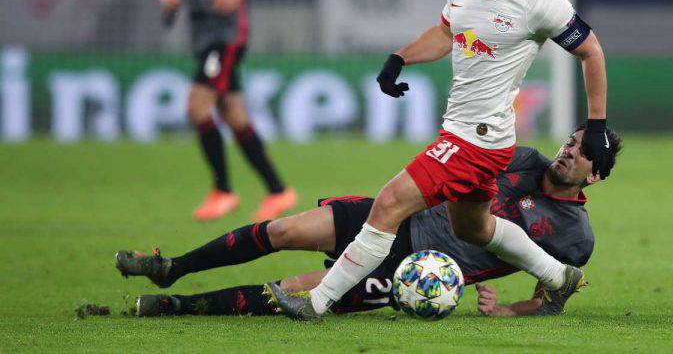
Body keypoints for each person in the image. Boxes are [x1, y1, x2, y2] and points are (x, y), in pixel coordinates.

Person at [265, 0, 612, 319]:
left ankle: (316, 302)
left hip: (479, 138)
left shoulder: (540, 2)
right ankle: (559, 277)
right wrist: (400, 57)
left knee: (389, 203)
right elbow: (447, 33)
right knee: (474, 227)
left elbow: (591, 51)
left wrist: (596, 125)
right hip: (463, 131)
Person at [115, 126, 622, 317]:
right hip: (396, 217)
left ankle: (174, 307)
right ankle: (173, 267)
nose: (568, 151)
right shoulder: (523, 159)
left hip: (416, 268)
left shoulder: (575, 237)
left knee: (291, 291)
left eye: (581, 153)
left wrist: (506, 310)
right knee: (283, 230)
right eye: (571, 141)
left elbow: (550, 299)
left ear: (595, 176)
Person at [161, 0, 295, 222]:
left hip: (228, 33)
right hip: (200, 32)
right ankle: (278, 191)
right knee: (234, 116)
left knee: (197, 107)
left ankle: (222, 190)